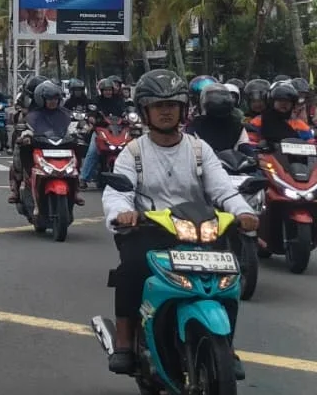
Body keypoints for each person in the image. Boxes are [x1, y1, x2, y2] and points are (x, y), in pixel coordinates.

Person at [101, 69, 258, 378]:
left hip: (200, 231)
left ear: (183, 109)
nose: (166, 111)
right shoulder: (133, 153)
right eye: (158, 105)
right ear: (145, 110)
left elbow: (223, 189)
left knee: (228, 278)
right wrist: (123, 213)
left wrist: (243, 212)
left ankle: (226, 344)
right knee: (130, 270)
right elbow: (117, 192)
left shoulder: (199, 149)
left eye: (172, 104)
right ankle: (123, 341)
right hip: (148, 230)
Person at [9, 79, 79, 206]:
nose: (52, 101)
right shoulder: (33, 112)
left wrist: (75, 134)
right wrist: (25, 135)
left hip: (57, 144)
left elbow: (70, 126)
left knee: (77, 149)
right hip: (37, 141)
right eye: (49, 98)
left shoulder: (64, 113)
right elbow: (25, 123)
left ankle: (76, 189)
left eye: (55, 98)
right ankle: (17, 186)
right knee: (20, 150)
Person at [79, 78, 130, 188]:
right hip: (101, 130)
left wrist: (128, 117)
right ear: (101, 91)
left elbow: (125, 112)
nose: (108, 92)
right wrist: (92, 117)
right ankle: (83, 178)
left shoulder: (119, 101)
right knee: (93, 151)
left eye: (110, 90)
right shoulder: (97, 101)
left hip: (118, 131)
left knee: (130, 149)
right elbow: (91, 112)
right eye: (105, 90)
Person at [244, 80, 313, 147]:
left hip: (294, 158)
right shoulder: (259, 121)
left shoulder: (301, 125)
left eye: (288, 101)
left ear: (293, 104)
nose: (284, 104)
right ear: (272, 102)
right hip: (264, 157)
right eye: (280, 100)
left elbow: (311, 144)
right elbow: (248, 142)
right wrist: (259, 145)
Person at [185, 83, 246, 153]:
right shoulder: (195, 125)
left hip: (232, 163)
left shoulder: (237, 126)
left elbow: (245, 147)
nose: (219, 101)